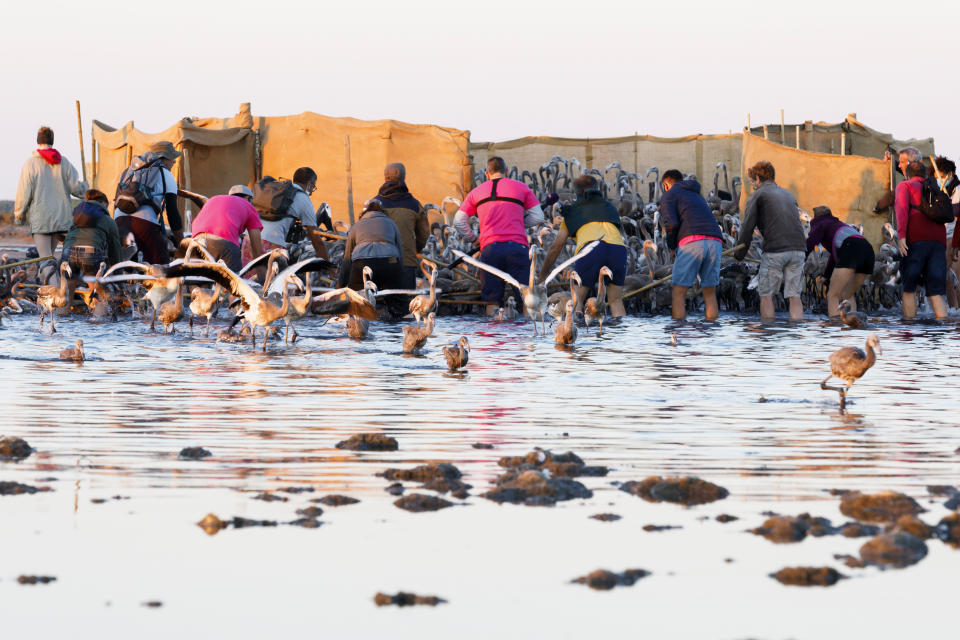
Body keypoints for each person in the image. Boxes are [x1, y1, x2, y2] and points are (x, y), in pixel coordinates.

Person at [454, 157, 544, 314]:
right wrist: (518, 225)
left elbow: (458, 221)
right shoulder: (521, 188)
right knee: (527, 301)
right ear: (507, 172)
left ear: (487, 174)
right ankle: (529, 337)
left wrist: (474, 239)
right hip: (518, 249)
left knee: (492, 301)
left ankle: (493, 336)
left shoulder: (476, 192)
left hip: (490, 250)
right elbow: (538, 217)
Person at [537, 174, 627, 318]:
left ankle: (576, 337)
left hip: (591, 250)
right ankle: (622, 337)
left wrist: (542, 277)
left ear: (576, 193)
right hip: (618, 250)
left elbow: (556, 247)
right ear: (597, 189)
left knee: (577, 301)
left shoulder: (572, 212)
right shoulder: (610, 207)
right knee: (616, 301)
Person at [734, 160, 807, 320]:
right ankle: (797, 334)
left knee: (766, 295)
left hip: (776, 251)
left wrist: (739, 254)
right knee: (794, 296)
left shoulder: (758, 195)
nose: (752, 184)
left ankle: (768, 334)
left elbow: (746, 228)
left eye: (753, 181)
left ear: (758, 179)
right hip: (799, 250)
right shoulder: (788, 194)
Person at [658, 169, 723, 321]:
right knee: (710, 292)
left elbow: (671, 223)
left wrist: (672, 247)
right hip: (715, 241)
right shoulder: (696, 194)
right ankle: (712, 335)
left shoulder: (669, 194)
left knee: (679, 293)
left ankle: (678, 333)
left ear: (666, 184)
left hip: (691, 242)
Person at [14, 126, 88, 259]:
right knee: (49, 258)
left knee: (45, 260)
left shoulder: (30, 164)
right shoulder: (64, 162)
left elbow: (23, 193)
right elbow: (77, 189)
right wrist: (86, 187)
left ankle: (53, 280)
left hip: (42, 220)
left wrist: (19, 216)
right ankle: (46, 279)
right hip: (60, 220)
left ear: (38, 141)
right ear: (52, 141)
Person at [113, 141, 184, 265]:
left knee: (126, 265)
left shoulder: (129, 172)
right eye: (172, 158)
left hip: (119, 223)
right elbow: (173, 215)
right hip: (144, 224)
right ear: (164, 158)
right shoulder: (166, 175)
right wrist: (181, 243)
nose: (174, 162)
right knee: (161, 266)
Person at [242, 167, 329, 263]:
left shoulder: (276, 191)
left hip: (249, 238)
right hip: (271, 243)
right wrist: (328, 266)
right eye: (313, 187)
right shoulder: (303, 198)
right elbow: (315, 238)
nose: (312, 192)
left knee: (247, 275)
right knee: (269, 276)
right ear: (309, 185)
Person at [896, 160, 948, 319]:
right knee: (935, 291)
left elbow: (902, 210)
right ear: (925, 174)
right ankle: (942, 327)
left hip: (915, 241)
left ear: (907, 174)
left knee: (909, 287)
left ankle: (909, 328)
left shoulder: (905, 186)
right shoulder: (935, 188)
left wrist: (901, 236)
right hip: (939, 243)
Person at [805, 206, 875, 316]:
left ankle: (834, 327)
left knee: (833, 295)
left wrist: (801, 259)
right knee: (847, 294)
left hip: (851, 248)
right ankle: (853, 327)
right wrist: (826, 275)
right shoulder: (840, 225)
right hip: (868, 250)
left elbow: (810, 243)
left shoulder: (820, 223)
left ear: (816, 217)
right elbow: (835, 254)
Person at [373, 163, 429, 289]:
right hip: (406, 262)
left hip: (379, 261)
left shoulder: (373, 204)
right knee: (405, 303)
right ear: (403, 178)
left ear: (385, 178)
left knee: (381, 303)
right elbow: (424, 235)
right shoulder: (415, 205)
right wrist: (413, 250)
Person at [189, 185, 263, 272]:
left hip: (195, 241)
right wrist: (262, 278)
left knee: (201, 282)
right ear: (248, 198)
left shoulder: (213, 199)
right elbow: (257, 251)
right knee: (233, 283)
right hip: (222, 243)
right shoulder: (248, 206)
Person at [338, 199, 404, 292]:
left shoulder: (357, 225)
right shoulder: (392, 224)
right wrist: (400, 277)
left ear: (364, 212)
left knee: (356, 297)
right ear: (382, 211)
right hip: (388, 265)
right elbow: (400, 253)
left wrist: (341, 284)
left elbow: (347, 259)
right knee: (395, 299)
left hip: (362, 266)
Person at [61, 189, 122, 275]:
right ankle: (93, 287)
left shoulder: (76, 215)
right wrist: (118, 274)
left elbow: (67, 236)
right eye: (107, 206)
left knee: (70, 283)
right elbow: (115, 250)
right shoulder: (108, 220)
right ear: (103, 203)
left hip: (68, 251)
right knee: (94, 284)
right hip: (90, 253)